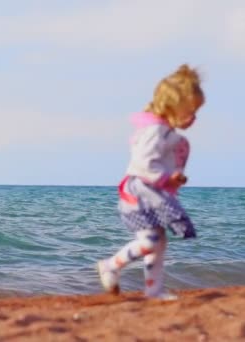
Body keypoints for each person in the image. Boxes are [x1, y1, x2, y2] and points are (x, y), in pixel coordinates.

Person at [97, 64, 205, 300]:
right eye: (190, 111)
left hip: (152, 191)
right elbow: (144, 164)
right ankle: (111, 265)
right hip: (140, 192)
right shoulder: (155, 132)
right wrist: (167, 178)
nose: (193, 118)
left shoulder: (165, 133)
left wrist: (173, 178)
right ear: (172, 107)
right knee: (150, 241)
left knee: (159, 243)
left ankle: (153, 291)